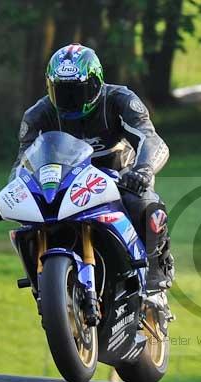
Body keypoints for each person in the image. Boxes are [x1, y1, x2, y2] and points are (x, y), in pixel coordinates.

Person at [11, 43, 174, 317]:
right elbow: (22, 163)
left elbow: (152, 139)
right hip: (64, 185)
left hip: (120, 179)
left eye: (78, 91)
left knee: (146, 205)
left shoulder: (121, 100)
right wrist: (15, 191)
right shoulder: (37, 115)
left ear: (97, 83)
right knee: (27, 224)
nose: (71, 100)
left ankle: (157, 278)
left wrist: (143, 170)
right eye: (62, 92)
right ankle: (45, 289)